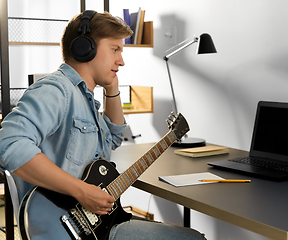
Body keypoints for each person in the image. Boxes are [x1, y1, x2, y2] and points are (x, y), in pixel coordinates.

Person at [0, 10, 205, 240]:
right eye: (115, 49)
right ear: (86, 49)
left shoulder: (85, 98)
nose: (122, 60)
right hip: (63, 226)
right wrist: (81, 190)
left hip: (97, 225)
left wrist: (112, 89)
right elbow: (10, 143)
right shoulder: (56, 90)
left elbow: (114, 136)